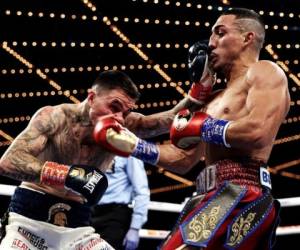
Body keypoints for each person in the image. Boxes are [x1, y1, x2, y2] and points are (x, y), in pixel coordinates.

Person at [94, 8, 290, 250]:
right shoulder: (213, 99)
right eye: (211, 36)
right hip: (209, 193)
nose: (210, 44)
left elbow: (258, 131)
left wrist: (204, 125)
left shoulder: (264, 72)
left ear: (247, 38)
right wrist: (134, 145)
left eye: (220, 33)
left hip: (241, 192)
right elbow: (183, 159)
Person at [0, 69, 194, 250]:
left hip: (77, 228)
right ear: (92, 97)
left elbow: (174, 119)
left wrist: (200, 89)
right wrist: (65, 174)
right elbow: (8, 162)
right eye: (114, 107)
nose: (119, 118)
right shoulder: (55, 117)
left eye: (125, 113)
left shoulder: (123, 127)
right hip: (28, 222)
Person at [91, 156, 150, 250]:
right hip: (87, 212)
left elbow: (141, 191)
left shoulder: (128, 150)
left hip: (114, 216)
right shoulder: (92, 148)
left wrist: (135, 228)